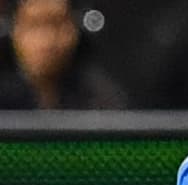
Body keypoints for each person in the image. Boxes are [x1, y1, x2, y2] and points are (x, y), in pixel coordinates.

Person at [0, 0, 128, 109]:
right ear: (12, 31)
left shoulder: (101, 100)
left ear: (77, 30)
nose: (46, 41)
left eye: (57, 24)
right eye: (33, 24)